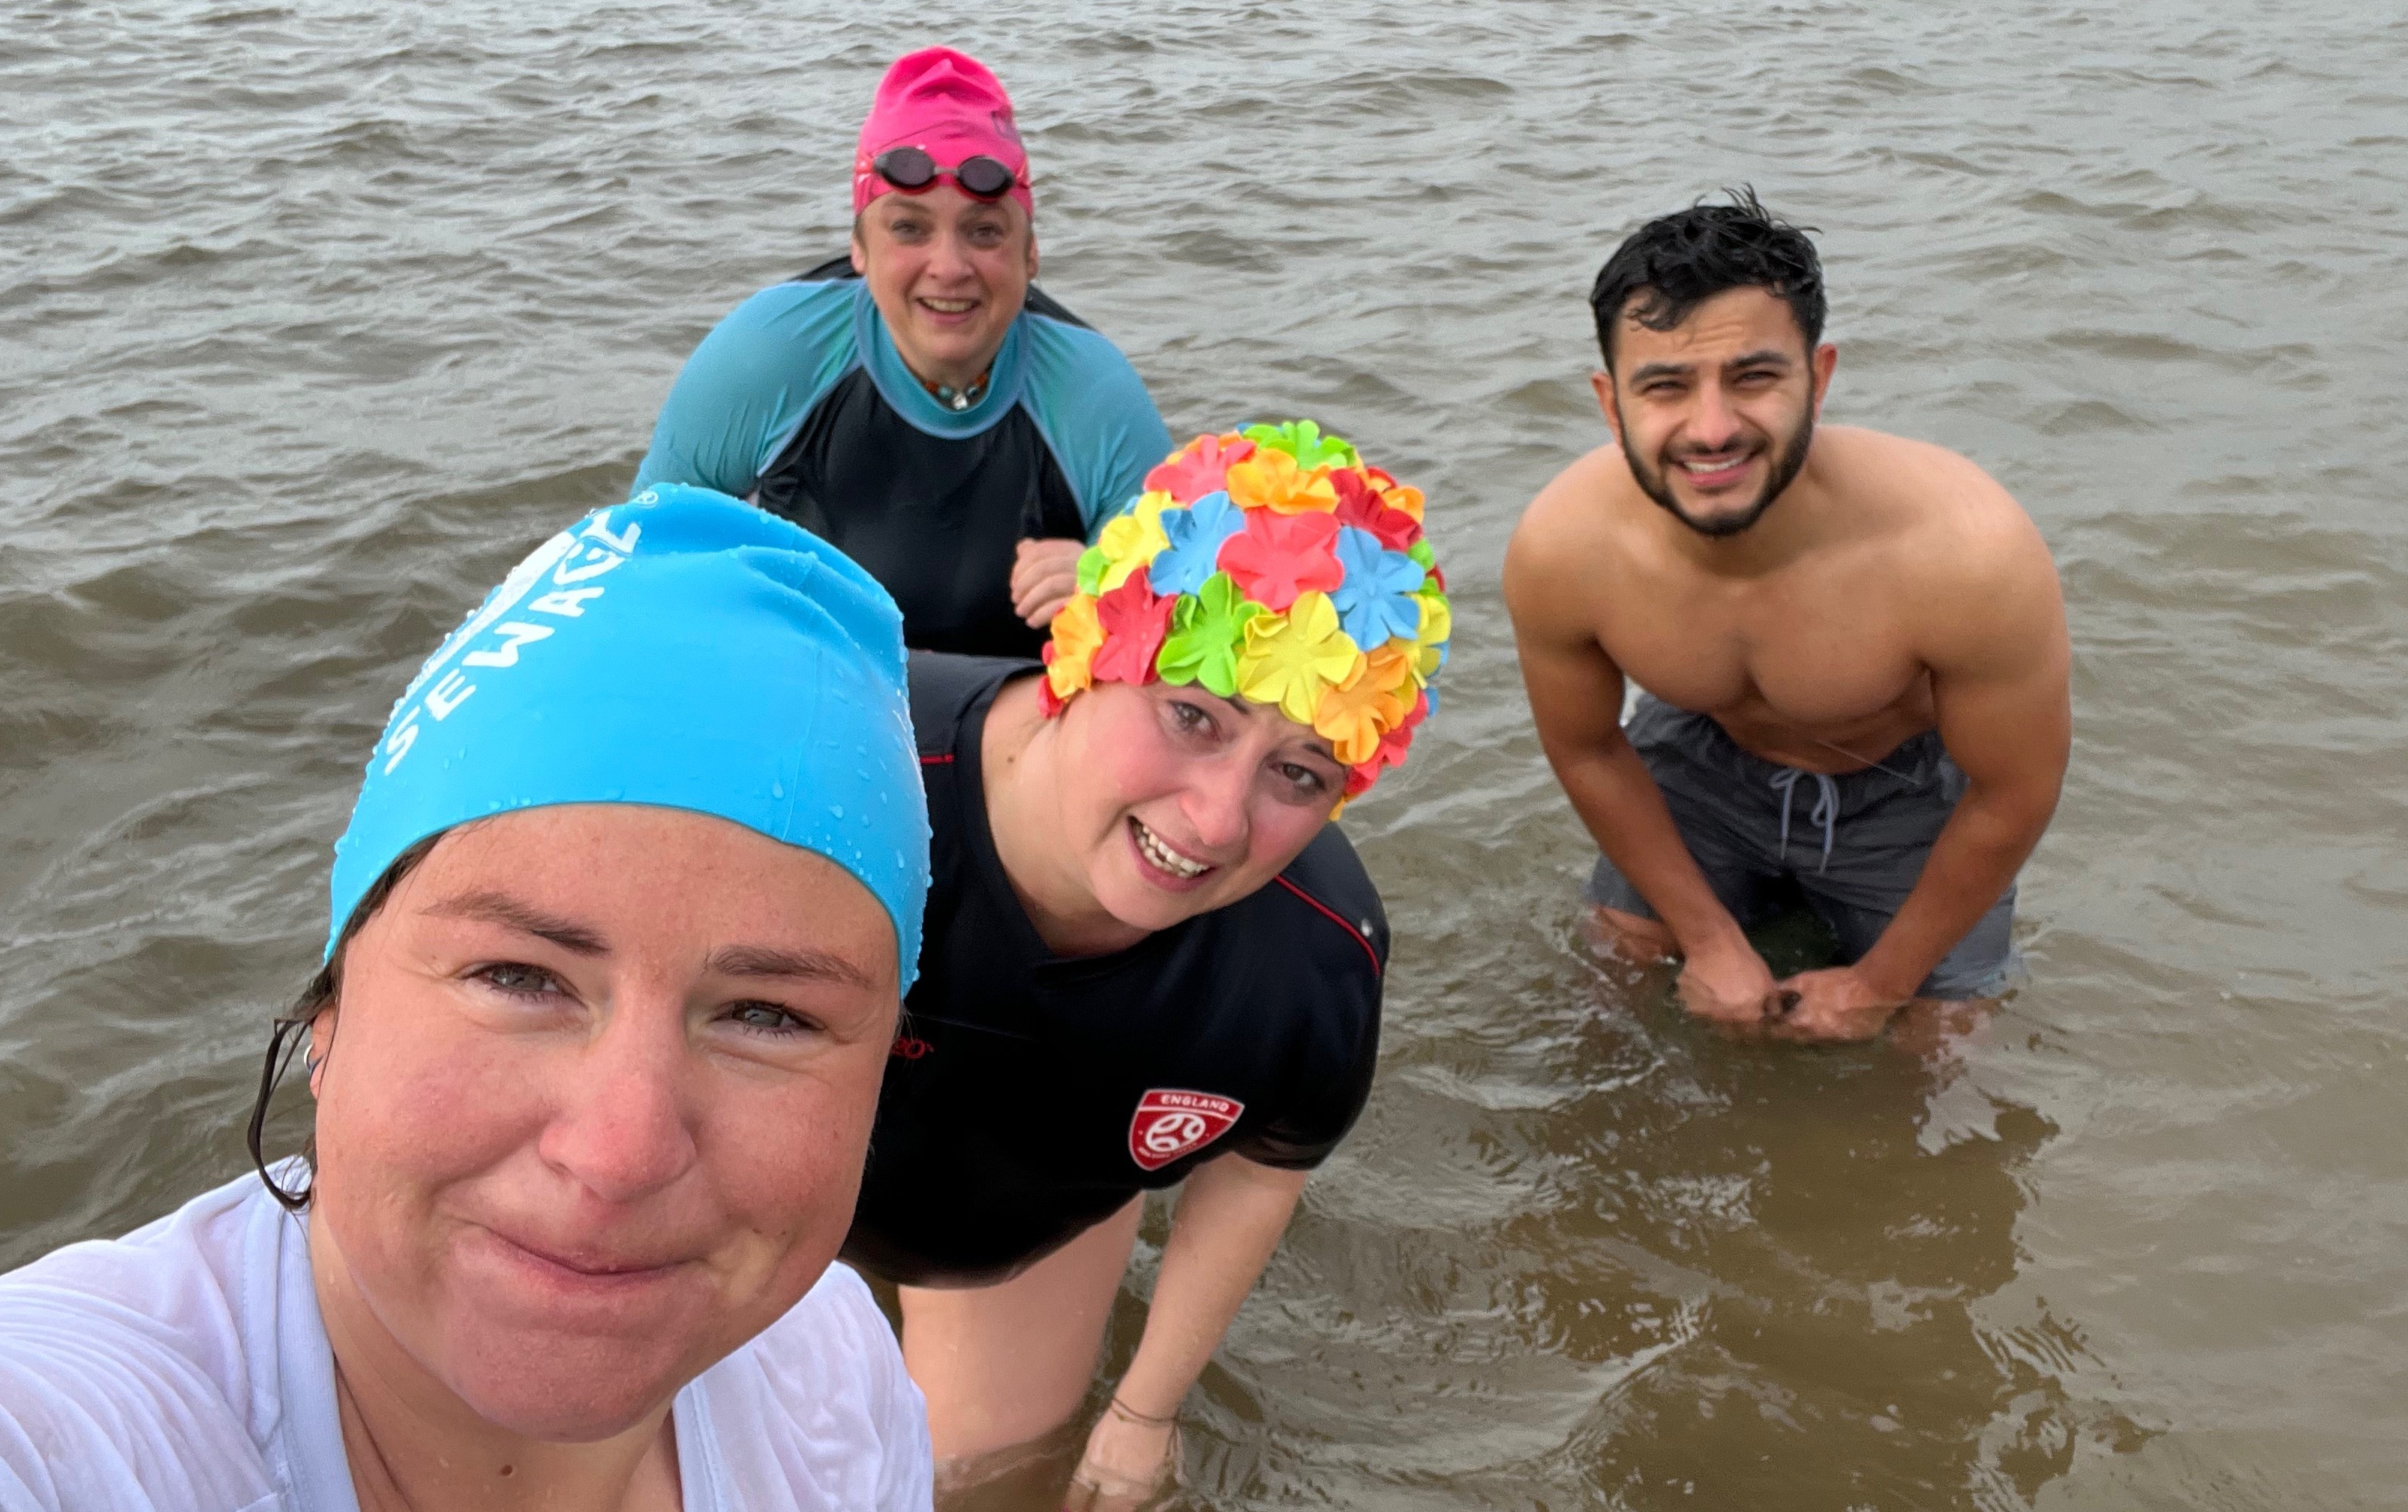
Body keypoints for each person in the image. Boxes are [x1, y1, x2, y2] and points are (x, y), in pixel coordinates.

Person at [0, 488, 938, 1510]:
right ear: (328, 1014)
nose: (620, 1153)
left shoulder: (833, 1369)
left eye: (768, 1015)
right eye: (519, 977)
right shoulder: (78, 1438)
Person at [848, 422, 1449, 1507]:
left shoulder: (1315, 958)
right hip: (772, 1173)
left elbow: (1266, 1162)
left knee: (963, 1483)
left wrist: (1144, 1411)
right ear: (1088, 655)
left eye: (1301, 774)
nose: (1217, 820)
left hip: (1019, 1230)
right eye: (1190, 716)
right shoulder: (852, 749)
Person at [1503, 190, 2070, 1052]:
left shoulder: (1964, 548)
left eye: (1754, 377)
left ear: (1821, 376)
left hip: (1907, 789)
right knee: (1608, 977)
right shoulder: (1564, 545)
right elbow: (1588, 748)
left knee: (1947, 1046)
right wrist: (1708, 940)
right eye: (1664, 387)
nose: (1713, 428)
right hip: (1700, 762)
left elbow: (2014, 791)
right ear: (1611, 403)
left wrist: (1880, 986)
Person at [633, 46, 1172, 658]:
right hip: (812, 704)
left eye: (985, 231)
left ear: (1031, 254)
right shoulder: (771, 353)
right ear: (859, 245)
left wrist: (1111, 588)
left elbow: (1184, 632)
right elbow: (643, 557)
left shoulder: (1093, 395)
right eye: (909, 228)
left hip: (1008, 731)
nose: (949, 268)